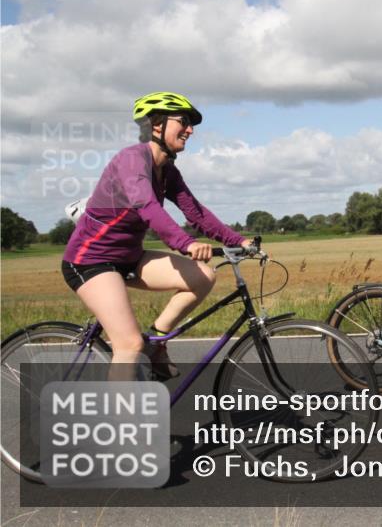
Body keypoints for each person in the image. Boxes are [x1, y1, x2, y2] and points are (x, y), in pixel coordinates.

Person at [62, 92, 253, 380]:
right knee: (129, 345)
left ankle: (157, 343)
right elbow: (147, 207)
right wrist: (185, 243)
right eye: (184, 122)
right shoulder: (131, 160)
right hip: (91, 260)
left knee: (203, 276)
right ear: (156, 125)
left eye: (191, 124)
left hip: (129, 257)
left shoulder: (167, 171)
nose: (190, 130)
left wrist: (238, 241)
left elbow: (196, 213)